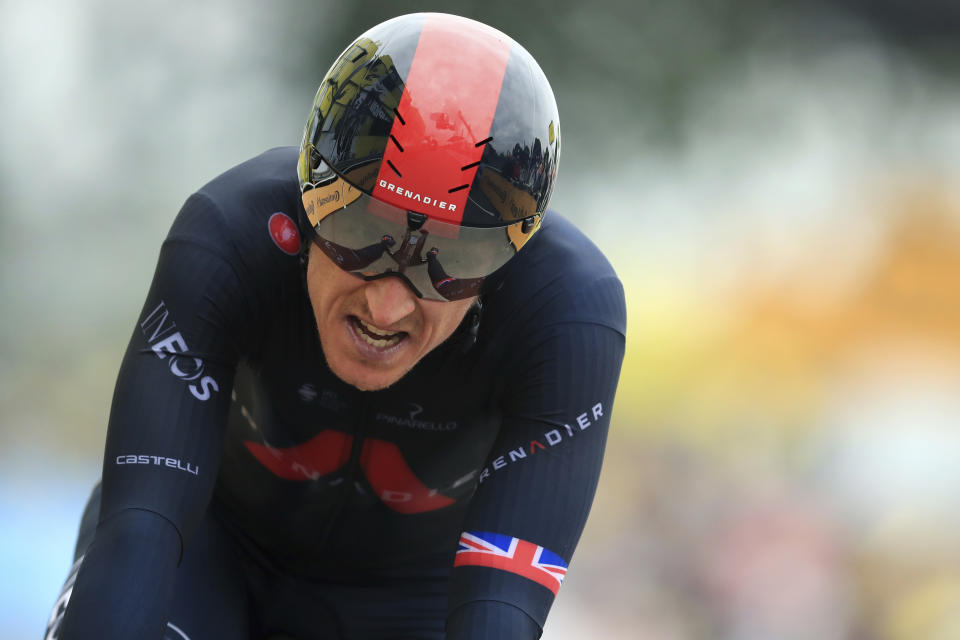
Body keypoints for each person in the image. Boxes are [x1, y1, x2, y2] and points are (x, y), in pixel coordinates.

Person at [45, 12, 626, 640]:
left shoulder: (566, 312)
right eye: (360, 234)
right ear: (308, 190)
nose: (386, 308)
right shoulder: (231, 238)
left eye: (452, 262)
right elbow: (142, 528)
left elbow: (500, 614)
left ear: (510, 258)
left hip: (409, 604)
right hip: (206, 555)